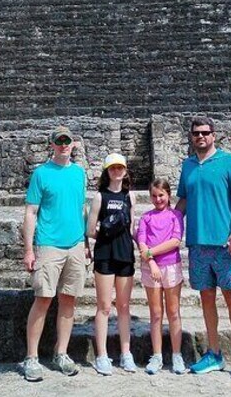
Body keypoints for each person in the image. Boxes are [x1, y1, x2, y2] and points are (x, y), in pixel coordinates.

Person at [175, 116, 231, 381]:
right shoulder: (187, 166)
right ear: (191, 136)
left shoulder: (230, 162)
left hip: (225, 244)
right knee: (206, 299)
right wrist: (166, 225)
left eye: (205, 133)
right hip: (198, 243)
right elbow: (183, 201)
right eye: (196, 133)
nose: (200, 137)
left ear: (213, 135)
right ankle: (214, 353)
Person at [21, 126, 88, 382]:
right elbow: (30, 212)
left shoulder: (79, 174)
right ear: (52, 145)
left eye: (67, 141)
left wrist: (85, 243)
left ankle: (61, 353)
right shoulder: (41, 174)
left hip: (74, 244)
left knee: (69, 300)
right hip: (49, 244)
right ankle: (31, 357)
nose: (63, 145)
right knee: (43, 299)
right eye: (59, 141)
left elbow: (81, 209)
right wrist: (29, 249)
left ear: (73, 144)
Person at [86, 153, 137, 375]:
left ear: (125, 170)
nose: (116, 171)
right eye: (112, 168)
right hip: (106, 254)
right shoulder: (100, 197)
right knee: (105, 306)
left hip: (125, 253)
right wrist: (106, 232)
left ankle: (126, 354)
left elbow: (132, 228)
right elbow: (90, 229)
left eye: (120, 167)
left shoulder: (130, 197)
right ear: (107, 171)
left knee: (124, 307)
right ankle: (102, 355)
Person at [136, 178, 186, 375]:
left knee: (173, 312)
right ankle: (157, 355)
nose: (158, 199)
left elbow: (175, 241)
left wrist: (150, 253)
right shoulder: (146, 218)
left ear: (168, 195)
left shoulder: (175, 216)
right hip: (151, 269)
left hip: (171, 267)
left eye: (161, 195)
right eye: (154, 196)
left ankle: (176, 354)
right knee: (156, 314)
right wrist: (151, 262)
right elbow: (141, 242)